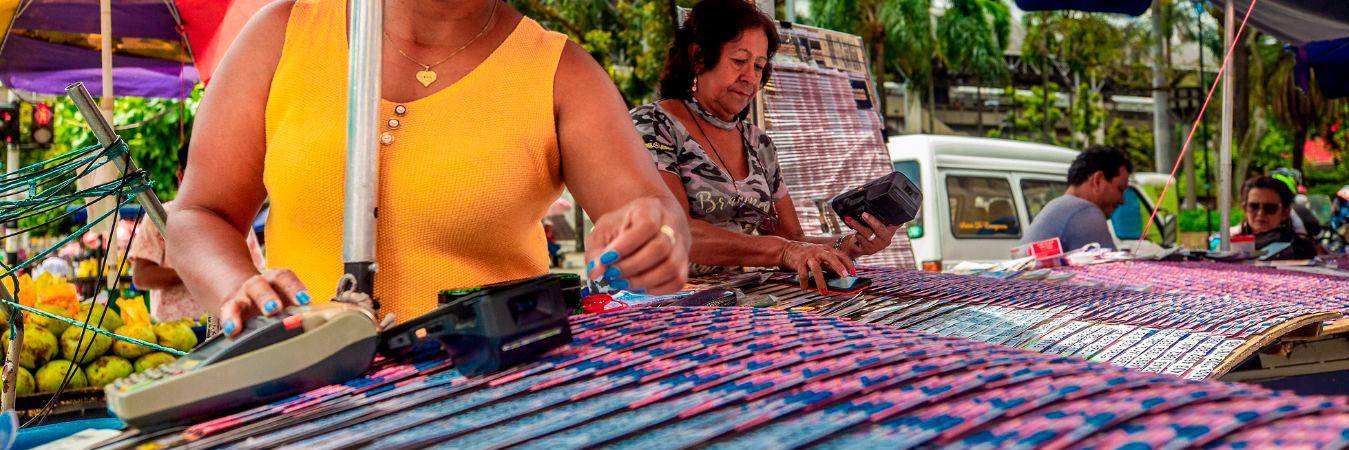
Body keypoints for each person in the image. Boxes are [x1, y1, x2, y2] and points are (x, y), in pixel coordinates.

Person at [170, 0, 691, 336]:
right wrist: (239, 289)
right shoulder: (283, 33)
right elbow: (199, 214)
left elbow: (651, 209)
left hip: (493, 393)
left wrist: (656, 235)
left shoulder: (562, 73)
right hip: (307, 394)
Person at [630, 0, 900, 291]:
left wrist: (851, 244)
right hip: (656, 298)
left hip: (732, 301)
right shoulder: (653, 125)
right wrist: (781, 251)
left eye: (758, 66)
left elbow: (792, 239)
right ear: (699, 57)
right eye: (739, 61)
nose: (750, 77)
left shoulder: (758, 144)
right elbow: (674, 231)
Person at [130, 142, 265, 323]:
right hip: (174, 331)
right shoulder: (160, 216)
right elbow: (141, 277)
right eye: (199, 175)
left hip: (228, 325)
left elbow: (256, 272)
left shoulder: (237, 217)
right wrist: (197, 271)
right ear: (181, 176)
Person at [1021, 146, 1132, 251]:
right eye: (1120, 189)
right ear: (1097, 180)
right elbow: (1110, 264)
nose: (1122, 200)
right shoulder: (1085, 211)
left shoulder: (1057, 208)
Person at [1230, 176, 1320, 260]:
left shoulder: (1300, 248)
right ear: (1244, 208)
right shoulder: (1228, 244)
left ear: (1285, 213)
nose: (1260, 213)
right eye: (1254, 206)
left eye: (1270, 208)